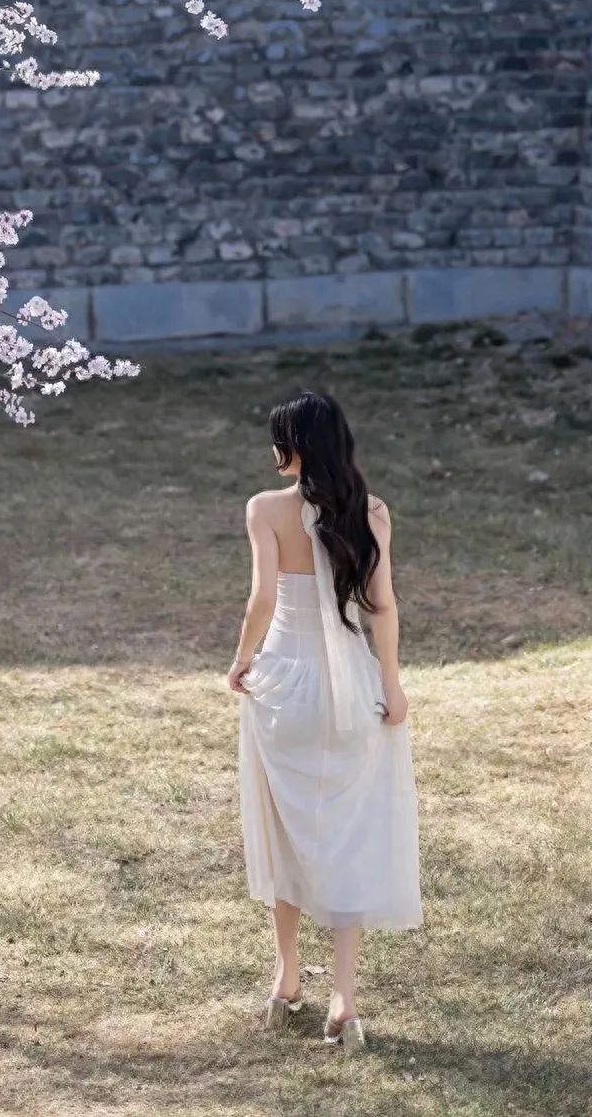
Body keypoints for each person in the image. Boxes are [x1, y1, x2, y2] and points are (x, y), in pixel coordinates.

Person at [228, 389, 421, 1049]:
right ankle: (345, 999)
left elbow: (262, 598)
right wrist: (391, 687)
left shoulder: (266, 510)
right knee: (351, 835)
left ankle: (286, 979)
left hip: (284, 685)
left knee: (286, 832)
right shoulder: (372, 514)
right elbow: (383, 609)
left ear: (295, 448)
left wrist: (240, 661)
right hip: (353, 690)